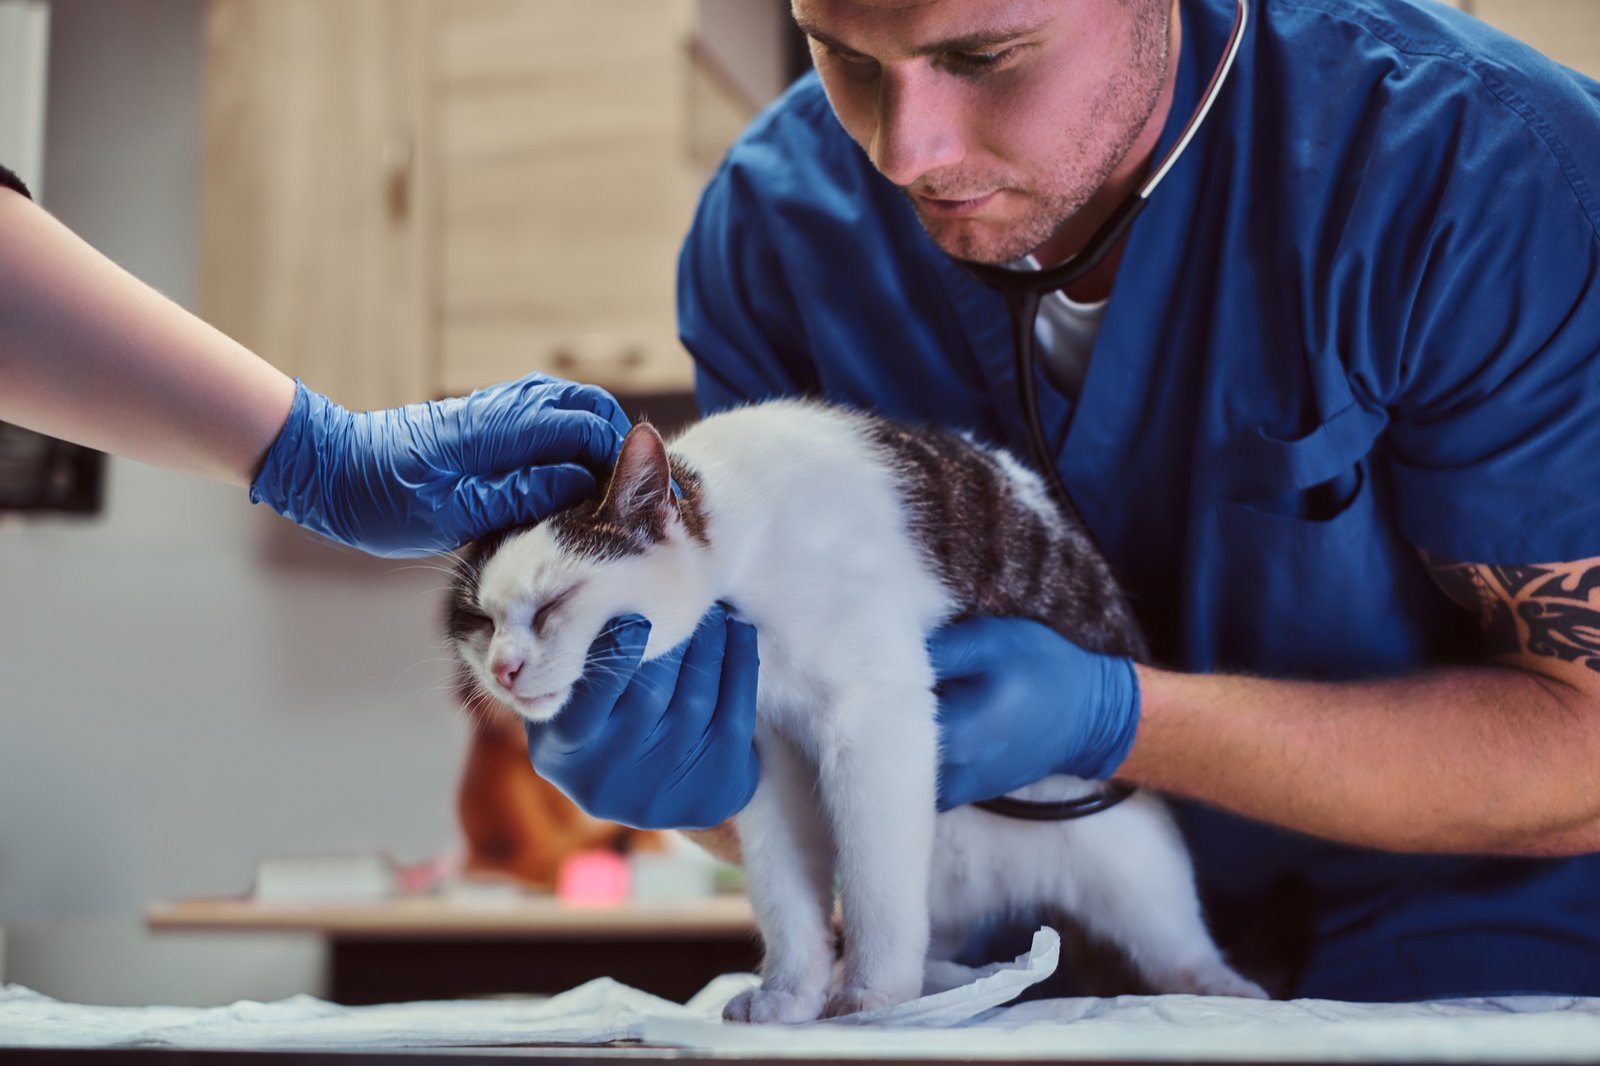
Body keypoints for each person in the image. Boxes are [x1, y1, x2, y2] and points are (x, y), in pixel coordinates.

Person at [524, 0, 1600, 1001]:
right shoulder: (775, 228)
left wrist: (1113, 718)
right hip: (1021, 991)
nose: (907, 152)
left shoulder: (1476, 171)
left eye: (979, 56)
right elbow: (819, 757)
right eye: (844, 54)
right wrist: (707, 781)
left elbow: (1584, 743)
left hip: (1456, 977)